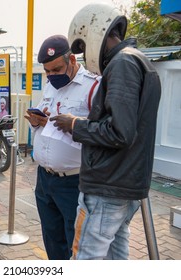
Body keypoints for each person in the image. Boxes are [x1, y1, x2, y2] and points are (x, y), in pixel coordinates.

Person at [50, 3, 161, 260]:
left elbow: (120, 132)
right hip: (125, 182)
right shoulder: (139, 61)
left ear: (91, 30)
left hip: (108, 184)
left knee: (86, 256)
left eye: (81, 45)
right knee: (115, 255)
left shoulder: (123, 64)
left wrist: (75, 124)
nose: (85, 54)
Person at [24, 35, 100, 260]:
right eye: (47, 71)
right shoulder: (50, 86)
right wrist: (36, 121)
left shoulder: (94, 87)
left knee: (75, 244)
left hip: (74, 182)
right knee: (52, 239)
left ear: (73, 60)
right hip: (45, 180)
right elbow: (42, 117)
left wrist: (74, 126)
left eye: (57, 69)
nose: (51, 76)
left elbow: (101, 132)